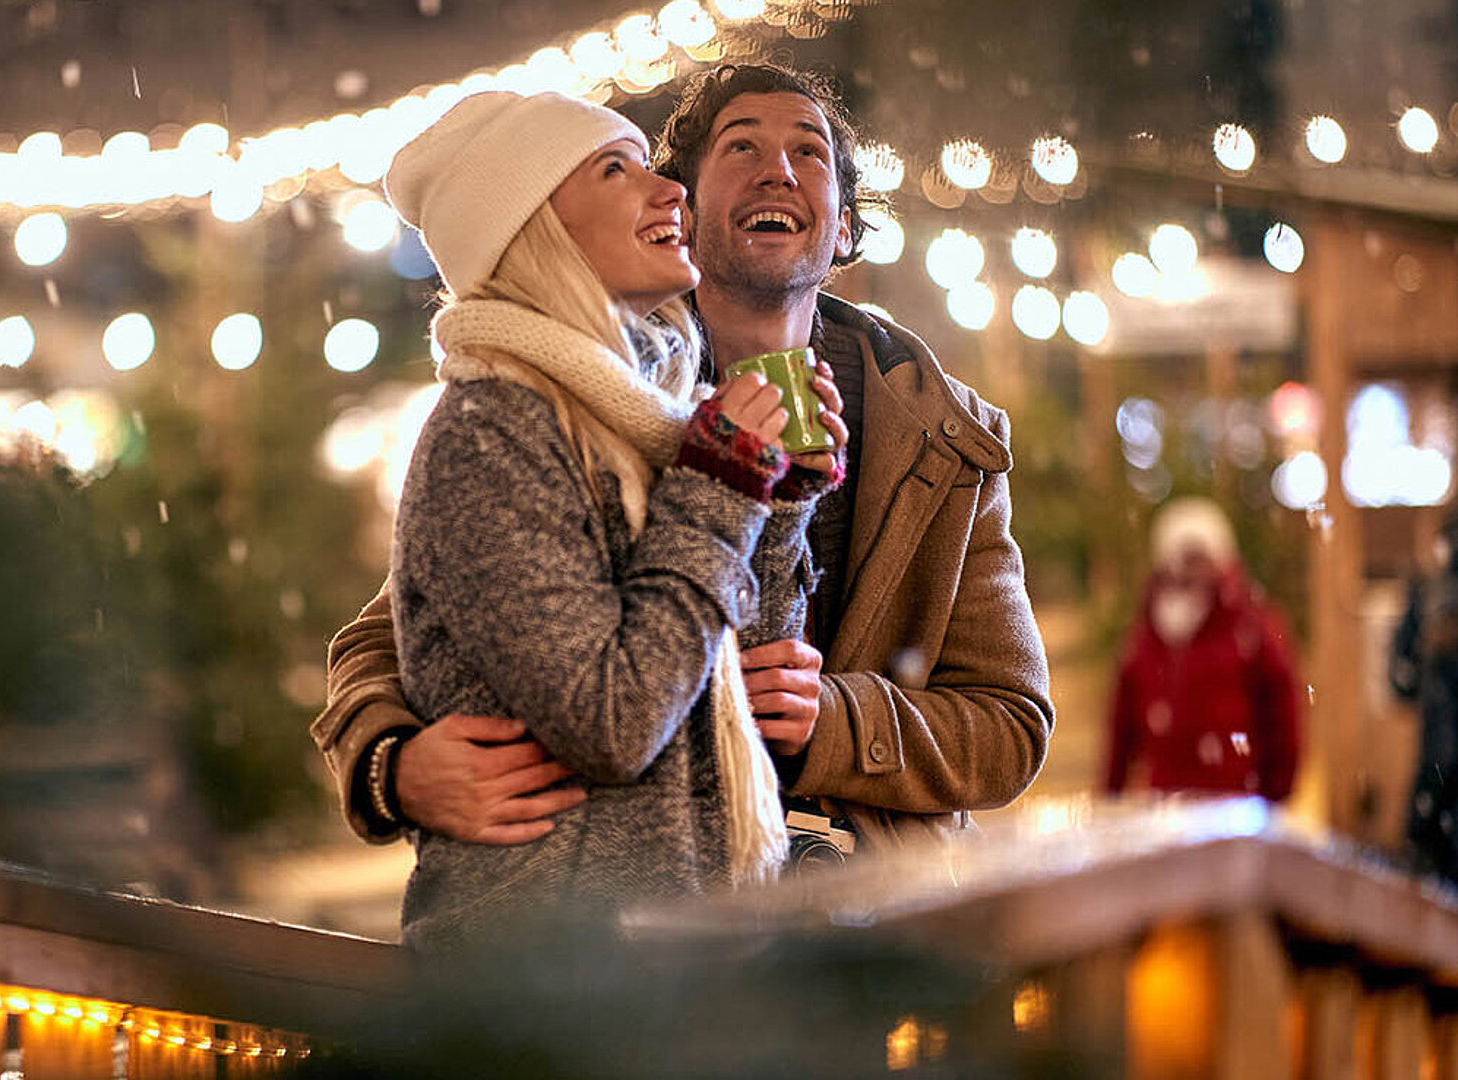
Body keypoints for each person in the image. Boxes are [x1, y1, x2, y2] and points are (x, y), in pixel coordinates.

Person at [314, 63, 1053, 861]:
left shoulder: (942, 438)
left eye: (809, 154)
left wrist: (835, 723)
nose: (778, 170)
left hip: (870, 907)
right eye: (741, 148)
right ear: (685, 214)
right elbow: (401, 631)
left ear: (843, 227)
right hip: (651, 910)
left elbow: (1010, 725)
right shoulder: (585, 398)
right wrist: (392, 766)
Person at [375, 89, 841, 950]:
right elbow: (617, 724)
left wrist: (775, 504)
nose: (670, 191)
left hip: (678, 960)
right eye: (616, 170)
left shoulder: (646, 415)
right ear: (535, 232)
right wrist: (724, 487)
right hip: (556, 982)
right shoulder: (490, 436)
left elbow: (728, 679)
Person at [1102, 496, 1302, 802]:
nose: (1193, 569)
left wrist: (1277, 796)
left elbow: (1282, 714)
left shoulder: (1252, 630)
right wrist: (1109, 797)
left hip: (1236, 802)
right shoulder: (1147, 637)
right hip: (1164, 803)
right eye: (1184, 557)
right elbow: (1121, 727)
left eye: (1201, 557)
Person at [1390, 512, 1458, 881]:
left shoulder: (1430, 586)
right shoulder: (1430, 588)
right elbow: (1402, 679)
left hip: (1437, 775)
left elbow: (1401, 681)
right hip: (1438, 769)